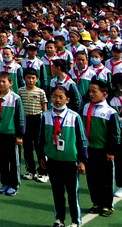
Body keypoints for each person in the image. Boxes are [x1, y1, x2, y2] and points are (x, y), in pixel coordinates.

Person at [40, 85, 88, 227]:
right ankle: (59, 219)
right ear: (50, 98)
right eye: (54, 96)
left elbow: (82, 140)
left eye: (61, 97)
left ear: (67, 99)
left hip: (70, 162)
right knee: (57, 192)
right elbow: (41, 139)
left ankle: (75, 221)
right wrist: (42, 157)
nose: (57, 100)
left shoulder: (74, 117)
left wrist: (83, 161)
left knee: (73, 194)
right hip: (53, 161)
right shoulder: (46, 116)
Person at [80, 79, 119, 217]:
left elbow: (114, 135)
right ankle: (96, 202)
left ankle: (107, 205)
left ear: (104, 94)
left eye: (94, 91)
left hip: (103, 151)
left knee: (105, 180)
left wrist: (111, 151)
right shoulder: (85, 108)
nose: (91, 94)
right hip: (89, 150)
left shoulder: (110, 112)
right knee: (92, 179)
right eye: (90, 91)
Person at [0, 72, 25, 196]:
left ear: (10, 83)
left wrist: (20, 135)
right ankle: (4, 182)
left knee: (13, 161)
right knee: (1, 160)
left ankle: (14, 184)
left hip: (11, 134)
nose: (0, 83)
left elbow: (20, 118)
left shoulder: (15, 98)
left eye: (3, 81)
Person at [19, 68, 48, 183]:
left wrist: (45, 121)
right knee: (27, 147)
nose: (31, 80)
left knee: (39, 147)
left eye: (33, 78)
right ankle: (30, 170)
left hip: (38, 119)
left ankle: (43, 172)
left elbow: (44, 107)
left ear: (37, 79)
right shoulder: (20, 91)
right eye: (28, 78)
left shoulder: (40, 92)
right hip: (26, 119)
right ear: (24, 78)